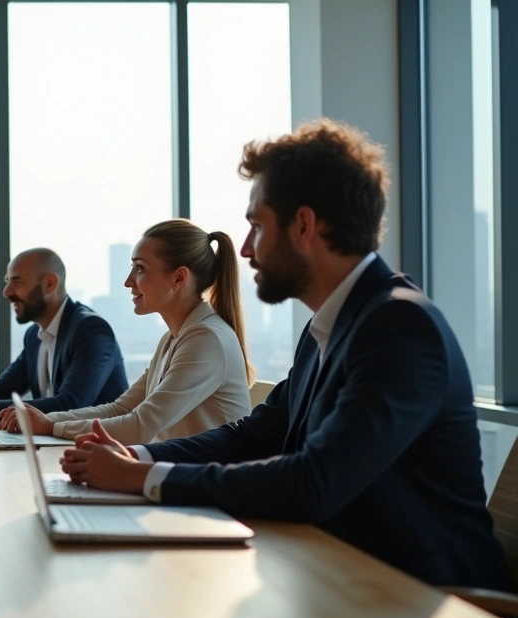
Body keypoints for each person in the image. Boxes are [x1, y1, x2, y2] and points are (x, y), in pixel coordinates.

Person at [59, 120, 511, 590]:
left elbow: (315, 481)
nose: (248, 249)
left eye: (257, 225)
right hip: (342, 575)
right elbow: (251, 437)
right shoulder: (328, 329)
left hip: (431, 600)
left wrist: (146, 478)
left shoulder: (400, 328)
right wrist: (136, 455)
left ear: (303, 226)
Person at [3, 220, 252, 444]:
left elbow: (139, 427)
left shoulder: (206, 339)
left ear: (179, 278)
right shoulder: (173, 339)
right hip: (181, 476)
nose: (128, 281)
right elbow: (119, 409)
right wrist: (46, 420)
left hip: (206, 488)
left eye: (140, 268)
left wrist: (52, 426)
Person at [0, 248, 128, 425]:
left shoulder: (92, 330)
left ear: (50, 284)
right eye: (7, 281)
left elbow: (70, 405)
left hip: (99, 448)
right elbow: (1, 390)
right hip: (54, 446)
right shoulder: (34, 335)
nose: (7, 292)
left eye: (17, 282)